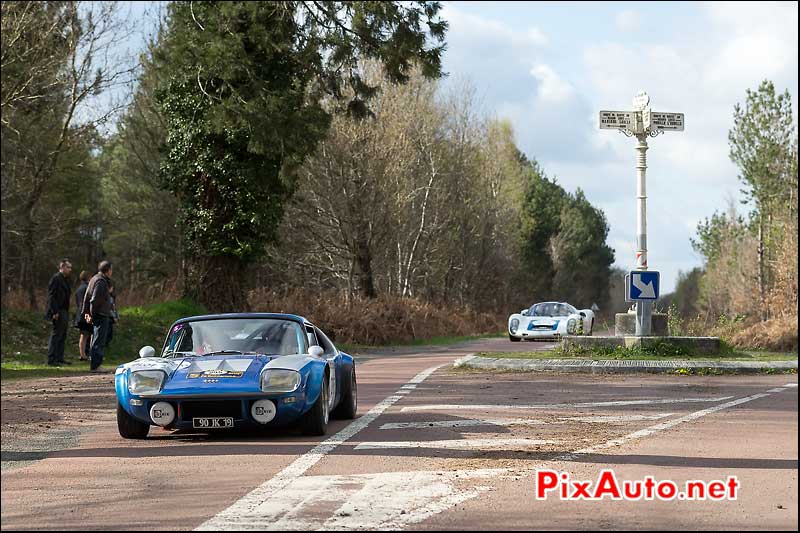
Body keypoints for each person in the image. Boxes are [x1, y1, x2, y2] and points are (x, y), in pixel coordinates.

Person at [82, 261, 114, 372]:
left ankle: (95, 364)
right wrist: (91, 313)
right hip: (100, 314)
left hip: (97, 313)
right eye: (111, 270)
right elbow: (94, 300)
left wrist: (86, 312)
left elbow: (87, 297)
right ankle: (96, 365)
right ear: (108, 270)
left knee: (97, 339)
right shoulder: (101, 282)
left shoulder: (94, 279)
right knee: (98, 340)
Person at [45, 259, 73, 366]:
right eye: (68, 267)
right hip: (58, 310)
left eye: (70, 267)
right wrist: (54, 311)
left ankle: (60, 358)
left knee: (63, 335)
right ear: (62, 267)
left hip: (64, 309)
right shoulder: (56, 278)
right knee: (56, 334)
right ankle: (52, 359)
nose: (70, 269)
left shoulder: (65, 279)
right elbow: (51, 296)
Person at [73, 270, 92, 361]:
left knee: (83, 335)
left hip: (80, 313)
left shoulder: (78, 288)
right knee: (88, 334)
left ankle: (82, 354)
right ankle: (86, 354)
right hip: (86, 313)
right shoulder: (87, 288)